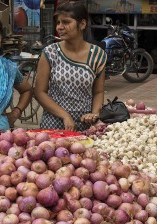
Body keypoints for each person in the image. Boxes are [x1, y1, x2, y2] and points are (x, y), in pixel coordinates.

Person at [34, 1, 106, 132]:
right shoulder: (50, 53)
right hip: (53, 125)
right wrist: (65, 116)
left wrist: (94, 114)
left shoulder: (97, 54)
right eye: (58, 22)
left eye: (66, 22)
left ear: (82, 24)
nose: (60, 27)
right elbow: (39, 92)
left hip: (85, 125)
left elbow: (98, 92)